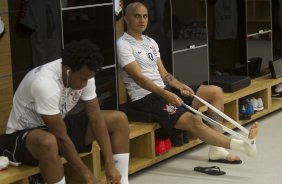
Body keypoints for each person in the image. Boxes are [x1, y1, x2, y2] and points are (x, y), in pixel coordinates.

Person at [117, 2, 258, 165]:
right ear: (126, 19)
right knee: (195, 120)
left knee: (216, 92)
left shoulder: (150, 42)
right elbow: (140, 79)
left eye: (145, 16)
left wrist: (179, 86)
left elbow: (164, 74)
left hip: (163, 90)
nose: (142, 20)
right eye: (137, 16)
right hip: (146, 98)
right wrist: (166, 94)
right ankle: (240, 145)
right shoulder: (123, 45)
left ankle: (216, 148)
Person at [1, 39, 130, 184]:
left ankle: (122, 181)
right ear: (68, 70)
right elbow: (60, 137)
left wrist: (109, 164)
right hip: (23, 136)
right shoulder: (45, 83)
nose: (85, 84)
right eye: (82, 79)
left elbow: (96, 118)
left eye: (89, 79)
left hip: (56, 124)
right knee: (48, 142)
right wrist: (88, 176)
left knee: (118, 119)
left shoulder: (85, 76)